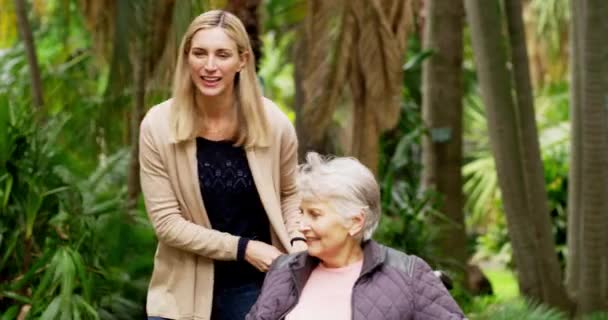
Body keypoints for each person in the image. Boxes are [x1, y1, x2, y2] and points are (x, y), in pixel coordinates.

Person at [139, 10, 306, 320]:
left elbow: (290, 194)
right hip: (182, 290)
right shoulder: (158, 125)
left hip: (257, 289)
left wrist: (297, 241)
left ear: (242, 60)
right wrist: (244, 248)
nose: (210, 66)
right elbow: (166, 224)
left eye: (223, 54)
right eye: (199, 53)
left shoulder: (274, 124)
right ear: (186, 57)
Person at [247, 153, 466, 320]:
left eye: (315, 214)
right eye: (302, 212)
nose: (301, 225)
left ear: (355, 222)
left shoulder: (408, 274)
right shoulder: (284, 270)